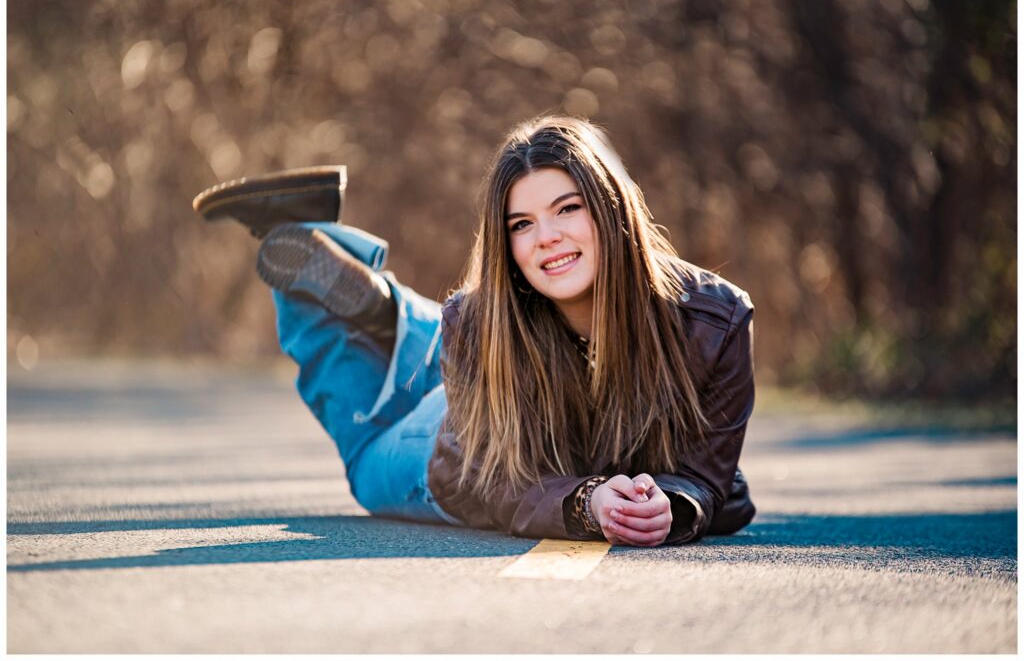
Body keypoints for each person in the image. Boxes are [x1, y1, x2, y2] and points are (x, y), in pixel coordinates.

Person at [194, 116, 756, 547]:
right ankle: (305, 244)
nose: (546, 237)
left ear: (612, 208)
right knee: (367, 454)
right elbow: (498, 484)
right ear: (506, 244)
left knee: (466, 325)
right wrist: (587, 501)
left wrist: (670, 506)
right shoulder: (477, 318)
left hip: (483, 369)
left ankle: (382, 304)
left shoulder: (717, 321)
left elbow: (706, 476)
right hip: (464, 441)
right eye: (522, 224)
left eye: (567, 209)